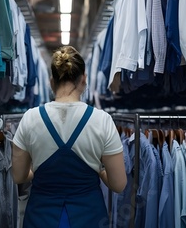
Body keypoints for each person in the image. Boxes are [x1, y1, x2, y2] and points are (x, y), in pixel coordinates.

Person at [12, 45, 127, 228]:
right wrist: (98, 169)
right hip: (90, 218)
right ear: (84, 80)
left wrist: (39, 169)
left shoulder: (30, 119)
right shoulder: (102, 121)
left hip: (41, 217)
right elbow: (119, 184)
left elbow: (18, 176)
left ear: (51, 82)